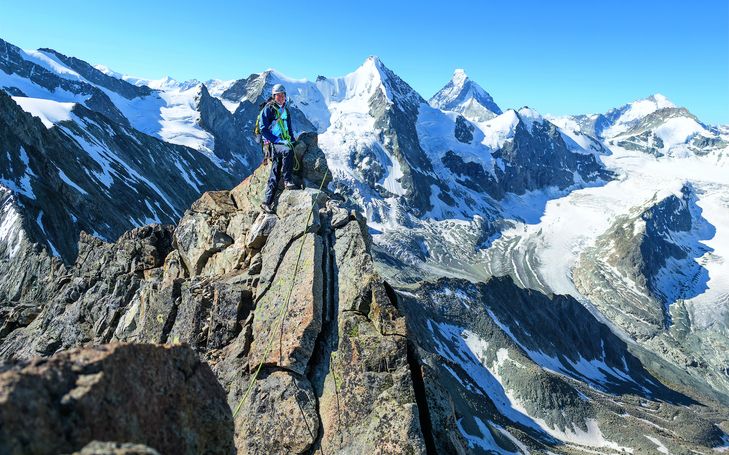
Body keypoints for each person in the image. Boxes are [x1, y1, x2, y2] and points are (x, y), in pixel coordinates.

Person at [259, 84, 297, 214]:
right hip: (273, 143)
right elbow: (263, 129)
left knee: (275, 172)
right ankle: (287, 180)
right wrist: (276, 140)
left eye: (282, 95)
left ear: (285, 97)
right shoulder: (268, 109)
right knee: (287, 152)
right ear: (274, 96)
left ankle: (266, 202)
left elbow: (289, 127)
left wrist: (292, 139)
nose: (281, 97)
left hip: (283, 140)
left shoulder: (285, 110)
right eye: (278, 95)